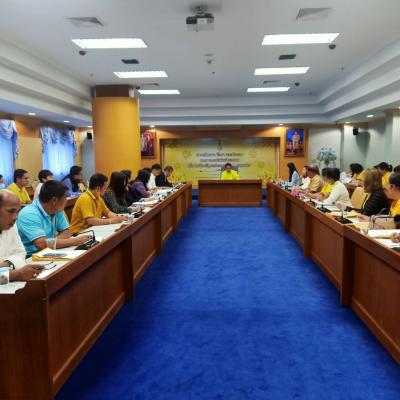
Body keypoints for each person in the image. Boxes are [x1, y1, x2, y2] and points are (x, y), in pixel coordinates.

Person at [17, 180, 91, 256]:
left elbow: (66, 232)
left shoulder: (56, 209)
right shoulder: (29, 214)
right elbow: (42, 245)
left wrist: (52, 242)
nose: (66, 201)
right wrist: (74, 241)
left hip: (50, 251)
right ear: (54, 200)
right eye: (65, 197)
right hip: (31, 256)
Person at [0, 190, 45, 281]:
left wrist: (7, 264)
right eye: (10, 211)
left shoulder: (10, 224)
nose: (15, 217)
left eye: (17, 212)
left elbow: (20, 253)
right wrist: (14, 275)